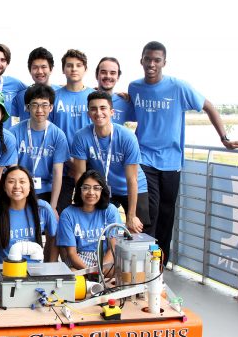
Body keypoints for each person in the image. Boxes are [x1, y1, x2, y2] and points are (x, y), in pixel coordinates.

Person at [128, 41, 238, 265]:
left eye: (156, 60)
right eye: (147, 59)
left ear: (164, 63)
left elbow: (208, 106)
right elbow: (128, 108)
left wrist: (225, 139)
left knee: (167, 216)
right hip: (144, 159)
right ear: (141, 60)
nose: (151, 64)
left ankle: (160, 266)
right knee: (150, 213)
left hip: (171, 162)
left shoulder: (178, 87)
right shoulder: (134, 87)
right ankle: (144, 264)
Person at [71, 91, 150, 234]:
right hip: (103, 188)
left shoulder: (127, 137)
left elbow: (132, 179)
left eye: (103, 108)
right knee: (101, 231)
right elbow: (80, 176)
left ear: (112, 112)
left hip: (131, 187)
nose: (98, 112)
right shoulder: (81, 137)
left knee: (137, 230)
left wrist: (131, 216)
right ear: (88, 113)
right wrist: (84, 205)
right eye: (93, 109)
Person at [9, 84, 69, 217]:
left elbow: (57, 172)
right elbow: (12, 169)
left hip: (46, 190)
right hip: (21, 188)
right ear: (27, 107)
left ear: (51, 107)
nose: (39, 109)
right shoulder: (14, 132)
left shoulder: (58, 135)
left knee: (52, 225)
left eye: (44, 105)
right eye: (35, 104)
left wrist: (52, 207)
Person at [50, 49, 94, 214]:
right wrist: (68, 161)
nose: (74, 69)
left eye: (78, 65)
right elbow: (51, 131)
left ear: (85, 69)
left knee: (87, 211)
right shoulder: (54, 96)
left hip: (89, 163)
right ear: (63, 69)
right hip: (63, 164)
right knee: (62, 212)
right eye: (69, 65)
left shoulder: (93, 95)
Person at [0, 166, 58, 270]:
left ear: (30, 186)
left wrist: (49, 267)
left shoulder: (42, 208)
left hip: (35, 272)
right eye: (11, 181)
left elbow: (54, 238)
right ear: (4, 186)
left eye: (22, 182)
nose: (17, 186)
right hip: (5, 272)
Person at [57, 170, 122, 270]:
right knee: (74, 279)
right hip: (79, 260)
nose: (91, 192)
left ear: (102, 191)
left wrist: (100, 270)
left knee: (124, 274)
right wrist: (91, 273)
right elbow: (71, 253)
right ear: (79, 190)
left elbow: (113, 247)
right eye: (86, 188)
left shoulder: (110, 210)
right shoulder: (67, 214)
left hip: (105, 258)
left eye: (96, 188)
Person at [11, 47, 62, 122]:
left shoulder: (61, 93)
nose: (40, 71)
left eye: (43, 67)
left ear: (51, 69)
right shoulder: (20, 97)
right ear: (30, 70)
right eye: (35, 68)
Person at [95, 56, 135, 124]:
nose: (108, 76)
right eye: (103, 72)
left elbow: (145, 118)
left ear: (118, 77)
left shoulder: (125, 102)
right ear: (96, 75)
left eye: (112, 73)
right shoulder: (86, 99)